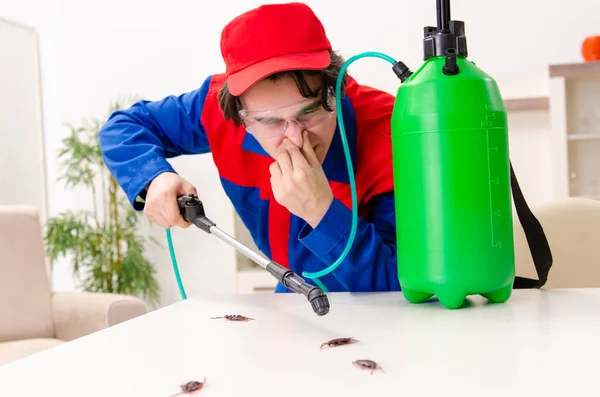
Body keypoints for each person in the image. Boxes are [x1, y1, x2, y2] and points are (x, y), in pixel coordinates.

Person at [98, 2, 401, 293]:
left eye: (309, 112)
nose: (295, 140)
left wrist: (323, 213)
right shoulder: (217, 109)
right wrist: (155, 177)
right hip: (292, 302)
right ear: (240, 115)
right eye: (269, 121)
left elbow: (401, 289)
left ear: (338, 86)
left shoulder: (397, 134)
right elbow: (123, 128)